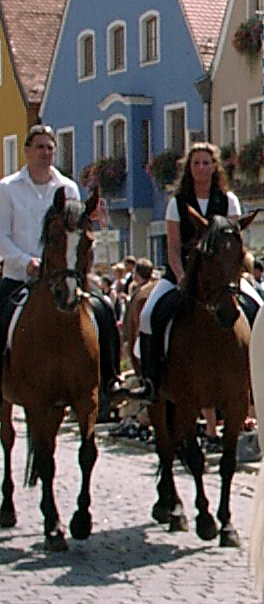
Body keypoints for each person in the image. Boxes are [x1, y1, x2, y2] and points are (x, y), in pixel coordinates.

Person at [0, 123, 123, 411]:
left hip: (63, 276)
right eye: (40, 147)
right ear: (27, 151)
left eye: (50, 148)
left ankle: (111, 379)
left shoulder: (67, 188)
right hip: (20, 276)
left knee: (104, 309)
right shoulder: (7, 189)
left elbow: (76, 231)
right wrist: (25, 261)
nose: (45, 153)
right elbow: (1, 235)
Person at [137, 143, 250, 400]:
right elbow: (174, 248)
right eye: (196, 163)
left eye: (206, 163)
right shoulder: (177, 204)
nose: (201, 168)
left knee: (258, 308)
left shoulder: (229, 201)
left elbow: (234, 242)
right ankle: (151, 380)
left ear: (214, 167)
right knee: (147, 315)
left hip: (222, 276)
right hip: (184, 272)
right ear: (189, 168)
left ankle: (254, 378)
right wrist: (181, 277)